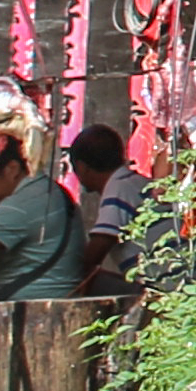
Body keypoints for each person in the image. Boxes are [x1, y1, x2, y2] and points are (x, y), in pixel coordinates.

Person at [0, 125, 84, 302]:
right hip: (23, 300)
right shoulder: (42, 190)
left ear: (12, 169)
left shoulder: (26, 201)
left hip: (28, 307)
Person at [65, 122, 151, 298]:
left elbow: (98, 248)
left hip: (161, 284)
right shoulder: (135, 182)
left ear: (81, 167)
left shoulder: (118, 189)